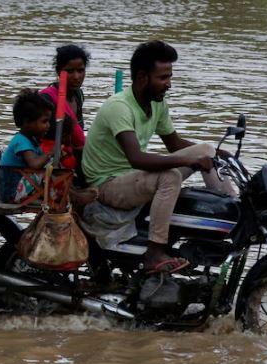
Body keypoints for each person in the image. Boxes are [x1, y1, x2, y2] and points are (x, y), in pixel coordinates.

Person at [81, 40, 235, 274]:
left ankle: (233, 213)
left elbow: (174, 143)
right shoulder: (119, 107)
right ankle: (154, 252)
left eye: (169, 77)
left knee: (205, 148)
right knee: (170, 176)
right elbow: (137, 159)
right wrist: (187, 161)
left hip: (133, 178)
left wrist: (217, 154)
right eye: (163, 78)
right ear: (143, 77)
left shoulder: (157, 104)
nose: (169, 84)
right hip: (108, 185)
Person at [39, 44, 90, 178]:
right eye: (70, 71)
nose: (76, 76)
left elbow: (77, 133)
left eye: (80, 71)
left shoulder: (78, 95)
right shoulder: (47, 98)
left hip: (72, 153)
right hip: (50, 157)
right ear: (59, 71)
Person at [0, 89, 54, 202]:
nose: (48, 125)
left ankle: (67, 193)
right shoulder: (21, 141)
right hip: (11, 193)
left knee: (52, 166)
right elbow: (35, 164)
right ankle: (62, 195)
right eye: (44, 121)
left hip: (20, 185)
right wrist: (51, 152)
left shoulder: (31, 139)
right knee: (49, 168)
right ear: (27, 122)